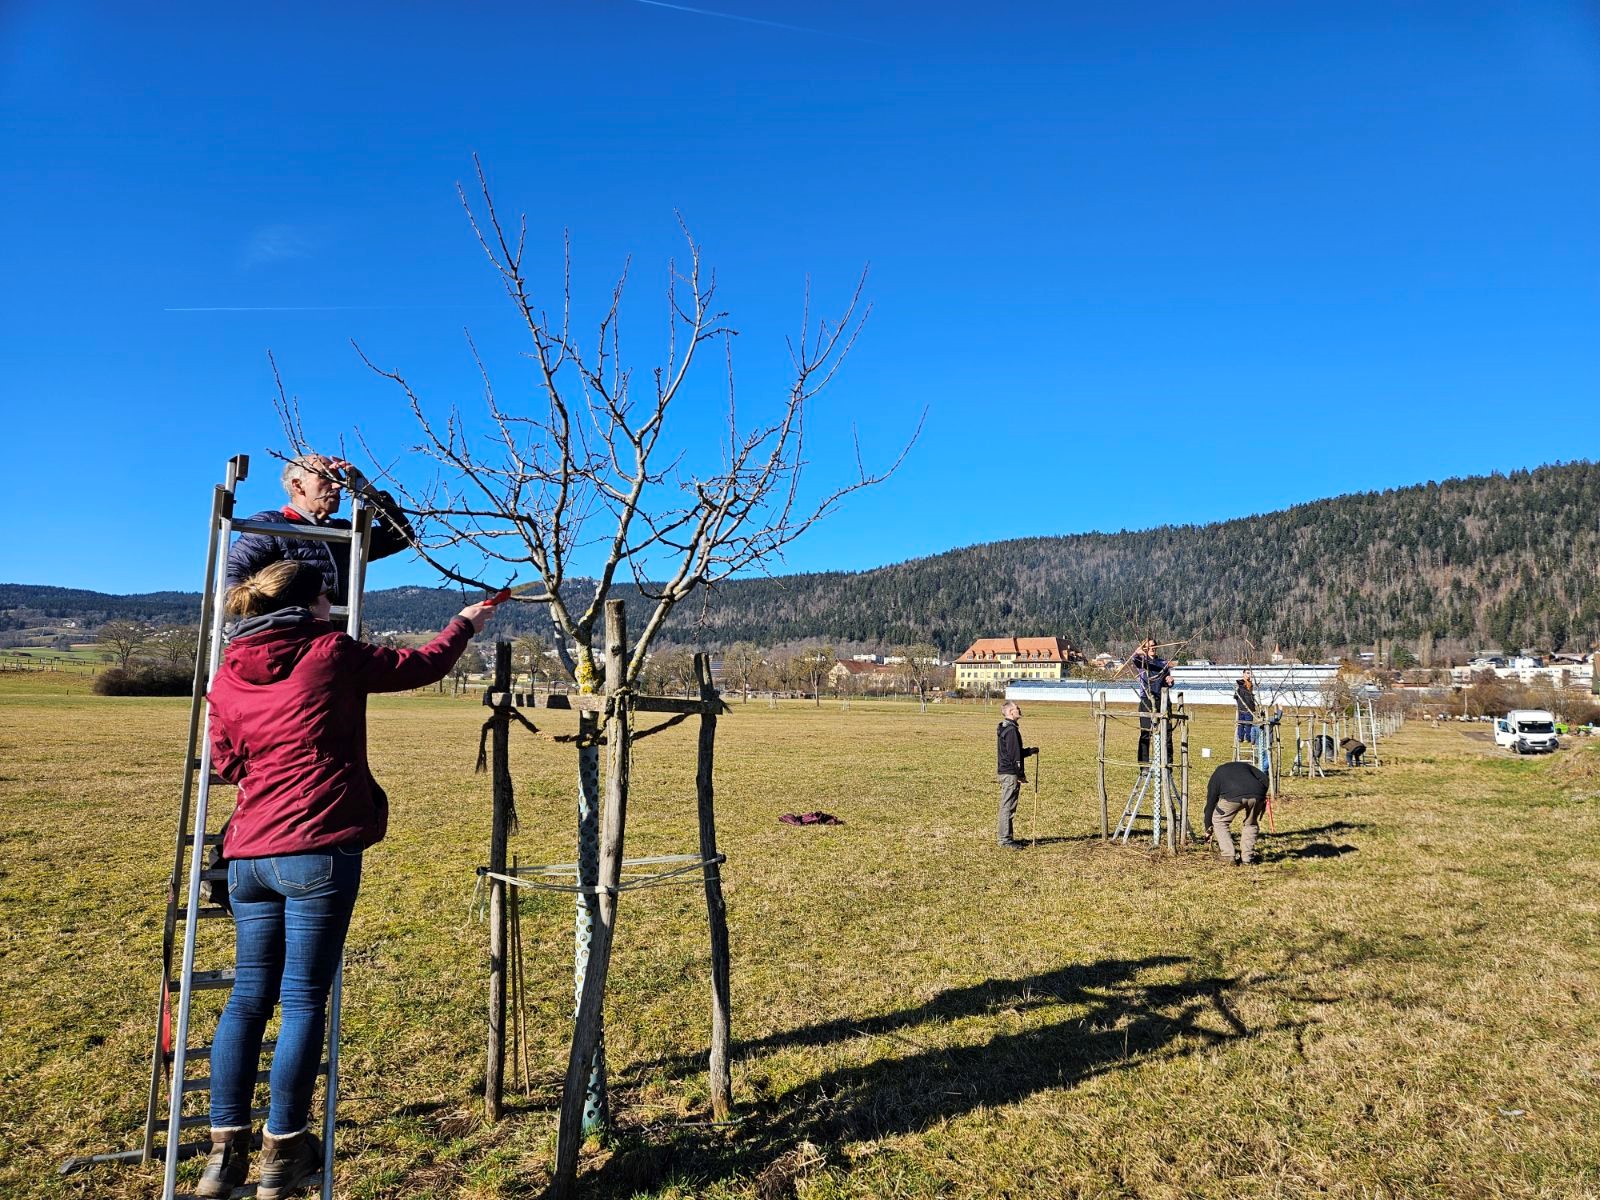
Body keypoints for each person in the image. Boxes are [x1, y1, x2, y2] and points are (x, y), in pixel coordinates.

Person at [197, 561, 492, 1198]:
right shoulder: (329, 653)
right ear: (310, 606)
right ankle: (283, 1150)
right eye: (328, 595)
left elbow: (223, 763)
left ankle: (222, 1155)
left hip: (247, 855)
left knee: (247, 998)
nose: (335, 603)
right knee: (302, 999)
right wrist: (463, 624)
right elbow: (422, 666)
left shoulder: (227, 673)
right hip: (316, 849)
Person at [226, 454, 414, 605]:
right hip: (289, 645)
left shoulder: (345, 532)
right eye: (325, 477)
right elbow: (232, 579)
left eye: (340, 480)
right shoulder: (270, 525)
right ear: (298, 485)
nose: (337, 486)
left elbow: (401, 535)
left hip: (334, 643)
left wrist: (367, 491)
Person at [1203, 759, 1270, 865]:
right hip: (1257, 794)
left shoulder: (1218, 773)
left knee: (1220, 820)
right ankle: (1247, 859)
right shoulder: (1247, 767)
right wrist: (1261, 794)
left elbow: (1211, 802)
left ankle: (1228, 855)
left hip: (1233, 795)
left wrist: (1208, 827)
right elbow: (1265, 778)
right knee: (1251, 823)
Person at [995, 700, 1038, 849]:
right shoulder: (1011, 730)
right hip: (1010, 773)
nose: (1019, 710)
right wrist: (1020, 774)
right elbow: (1014, 757)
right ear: (1011, 712)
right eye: (1017, 708)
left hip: (1006, 771)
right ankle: (1004, 840)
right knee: (1008, 806)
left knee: (1008, 805)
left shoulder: (1006, 728)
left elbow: (1014, 752)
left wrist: (1029, 751)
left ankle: (1007, 837)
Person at [1130, 638, 1174, 765]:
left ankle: (1167, 764)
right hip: (1147, 700)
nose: (1152, 648)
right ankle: (1144, 765)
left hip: (1163, 700)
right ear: (1144, 649)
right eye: (1148, 647)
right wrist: (1138, 652)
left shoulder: (1163, 663)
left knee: (1167, 734)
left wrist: (1170, 681)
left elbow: (1167, 680)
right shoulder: (1142, 661)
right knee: (1145, 732)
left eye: (1154, 645)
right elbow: (1134, 659)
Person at [1233, 671, 1258, 746]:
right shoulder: (1240, 684)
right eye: (1247, 673)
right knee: (1241, 724)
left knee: (1248, 724)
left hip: (1249, 708)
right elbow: (1236, 695)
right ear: (1243, 674)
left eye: (1250, 673)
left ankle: (1248, 738)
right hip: (1242, 707)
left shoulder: (1251, 684)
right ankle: (1241, 737)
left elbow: (1251, 697)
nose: (1249, 675)